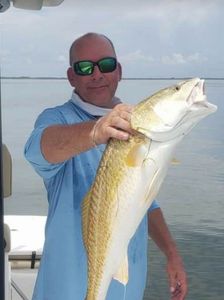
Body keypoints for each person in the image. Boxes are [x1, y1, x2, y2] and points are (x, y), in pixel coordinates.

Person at [24, 32, 188, 300]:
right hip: (66, 289)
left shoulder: (137, 124)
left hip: (128, 288)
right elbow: (39, 148)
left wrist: (172, 254)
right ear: (71, 77)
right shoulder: (57, 118)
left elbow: (145, 201)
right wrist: (95, 131)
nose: (97, 74)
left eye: (106, 65)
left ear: (119, 71)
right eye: (85, 68)